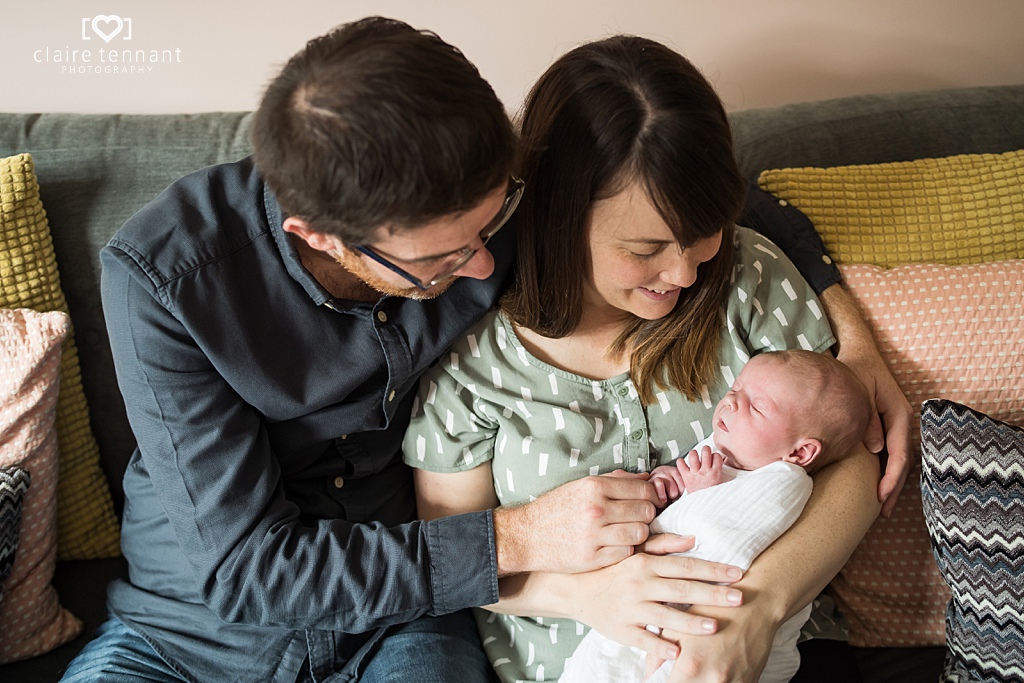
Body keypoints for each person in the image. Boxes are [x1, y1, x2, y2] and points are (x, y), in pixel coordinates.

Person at [60, 16, 909, 683]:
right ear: (318, 236)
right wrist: (523, 535)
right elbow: (252, 574)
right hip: (190, 634)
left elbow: (693, 194)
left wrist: (859, 348)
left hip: (402, 629)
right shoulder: (165, 279)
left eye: (497, 221)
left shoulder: (485, 199)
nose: (482, 269)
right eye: (441, 261)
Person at [404, 35, 892, 683]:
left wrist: (758, 611)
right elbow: (451, 558)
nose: (686, 270)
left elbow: (847, 460)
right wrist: (587, 596)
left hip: (777, 649)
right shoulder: (476, 368)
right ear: (558, 217)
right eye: (646, 247)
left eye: (702, 232)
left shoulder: (748, 279)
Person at [560, 349, 872, 683]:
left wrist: (703, 494)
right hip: (639, 605)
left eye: (756, 405)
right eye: (735, 389)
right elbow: (680, 505)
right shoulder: (728, 450)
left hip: (712, 627)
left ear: (799, 452)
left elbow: (723, 539)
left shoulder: (784, 483)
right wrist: (668, 486)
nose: (732, 402)